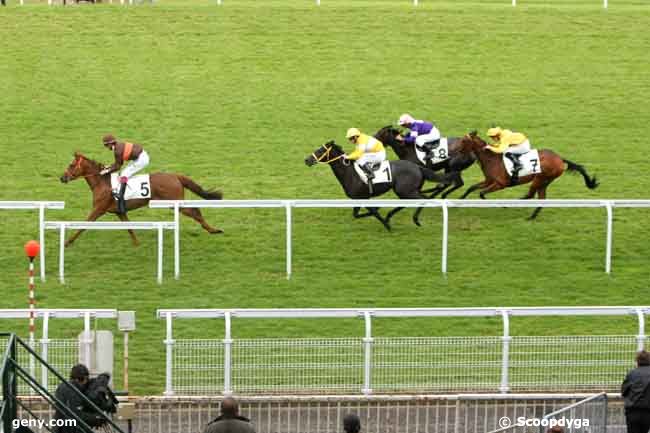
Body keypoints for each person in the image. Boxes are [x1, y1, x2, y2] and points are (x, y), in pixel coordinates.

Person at [99, 134, 150, 214]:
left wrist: (106, 171)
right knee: (123, 174)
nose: (106, 148)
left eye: (106, 145)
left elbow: (118, 166)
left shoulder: (117, 151)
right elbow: (118, 163)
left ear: (110, 144)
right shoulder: (118, 146)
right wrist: (108, 167)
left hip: (141, 159)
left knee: (123, 175)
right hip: (140, 156)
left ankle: (120, 196)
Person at [52, 364, 105, 433]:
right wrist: (96, 417)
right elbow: (76, 414)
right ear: (78, 379)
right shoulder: (73, 391)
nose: (86, 382)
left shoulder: (64, 386)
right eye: (84, 379)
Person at [622, 350, 650, 433]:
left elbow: (624, 391)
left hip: (632, 411)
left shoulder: (631, 373)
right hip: (647, 411)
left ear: (637, 361)